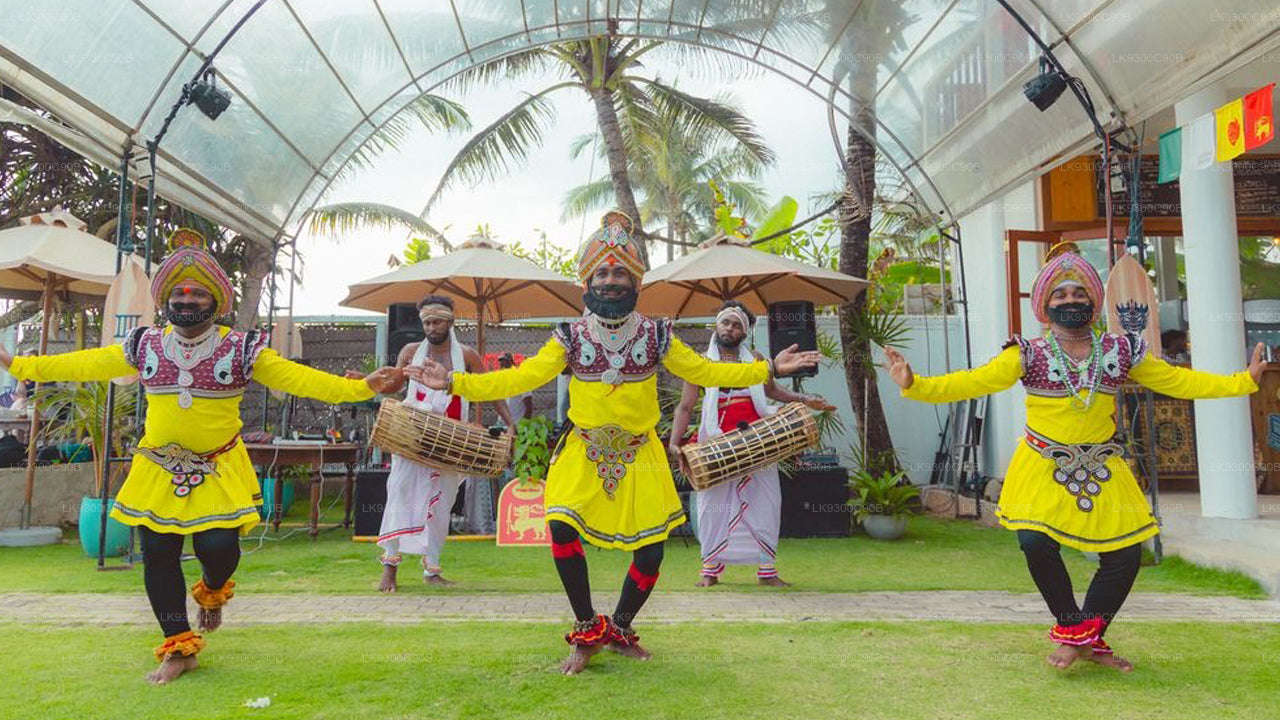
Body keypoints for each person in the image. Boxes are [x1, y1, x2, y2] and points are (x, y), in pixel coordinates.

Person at [407, 210, 820, 674]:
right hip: (582, 450)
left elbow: (706, 372)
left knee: (652, 550)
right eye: (601, 273)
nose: (610, 281)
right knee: (561, 527)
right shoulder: (568, 336)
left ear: (635, 280)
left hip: (641, 454)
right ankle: (586, 629)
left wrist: (769, 369)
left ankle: (620, 629)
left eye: (620, 272)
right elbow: (521, 378)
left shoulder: (658, 334)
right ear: (588, 280)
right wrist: (453, 383)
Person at [0, 229, 403, 685]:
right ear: (166, 300)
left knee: (218, 549)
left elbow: (299, 378)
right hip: (158, 467)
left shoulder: (242, 348)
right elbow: (86, 363)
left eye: (197, 293)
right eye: (179, 292)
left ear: (215, 301)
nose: (186, 299)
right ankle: (178, 647)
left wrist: (362, 387)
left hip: (218, 466)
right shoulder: (144, 345)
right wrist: (18, 365)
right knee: (158, 553)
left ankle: (211, 592)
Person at [886, 242, 1265, 672]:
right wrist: (916, 384)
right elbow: (974, 382)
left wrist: (1243, 382)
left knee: (1125, 556)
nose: (1070, 300)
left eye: (1079, 292)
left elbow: (1178, 381)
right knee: (1035, 542)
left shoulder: (1121, 350)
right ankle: (1074, 632)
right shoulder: (1026, 354)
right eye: (1060, 295)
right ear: (1045, 306)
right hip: (1041, 465)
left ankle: (1086, 639)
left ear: (1093, 301)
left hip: (1103, 467)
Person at [668, 300, 834, 587]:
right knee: (712, 505)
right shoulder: (700, 363)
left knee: (766, 501)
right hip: (716, 441)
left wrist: (805, 399)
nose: (730, 329)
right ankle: (710, 570)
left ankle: (767, 571)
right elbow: (685, 406)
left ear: (744, 333)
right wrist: (674, 443)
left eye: (736, 325)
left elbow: (773, 392)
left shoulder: (756, 360)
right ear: (716, 325)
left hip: (758, 440)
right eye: (725, 322)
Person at [372, 295, 512, 590]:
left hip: (450, 441)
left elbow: (490, 390)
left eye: (436, 322)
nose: (431, 327)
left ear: (450, 322)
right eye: (426, 322)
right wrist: (370, 381)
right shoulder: (410, 351)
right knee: (399, 496)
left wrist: (511, 424)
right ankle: (390, 567)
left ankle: (432, 570)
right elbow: (395, 385)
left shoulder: (467, 355)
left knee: (441, 506)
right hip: (412, 437)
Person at [498, 352, 534, 426]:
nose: (503, 367)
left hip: (516, 425)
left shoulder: (521, 381)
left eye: (506, 364)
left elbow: (529, 406)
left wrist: (523, 425)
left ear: (512, 363)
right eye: (501, 365)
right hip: (502, 424)